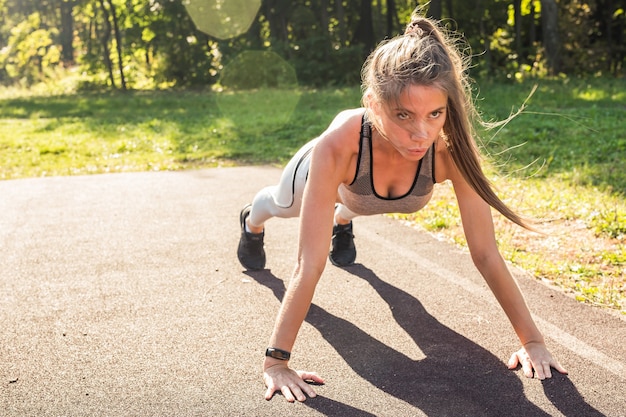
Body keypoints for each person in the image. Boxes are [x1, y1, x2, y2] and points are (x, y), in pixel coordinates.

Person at [236, 13, 568, 403]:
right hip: (332, 181)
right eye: (403, 115)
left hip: (366, 197)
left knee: (357, 207)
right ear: (374, 105)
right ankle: (252, 222)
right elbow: (308, 264)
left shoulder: (448, 149)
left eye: (435, 114)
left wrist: (532, 341)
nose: (421, 133)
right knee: (279, 202)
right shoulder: (337, 146)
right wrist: (276, 362)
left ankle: (344, 219)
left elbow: (485, 252)